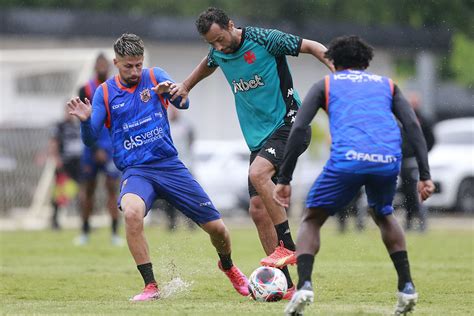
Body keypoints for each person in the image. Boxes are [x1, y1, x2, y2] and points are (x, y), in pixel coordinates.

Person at [67, 33, 248, 301]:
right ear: (116, 62)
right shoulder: (104, 93)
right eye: (128, 66)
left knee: (218, 229)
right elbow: (91, 139)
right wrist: (84, 121)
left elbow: (184, 102)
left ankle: (229, 266)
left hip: (169, 166)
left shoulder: (154, 77)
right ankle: (151, 286)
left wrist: (172, 94)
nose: (135, 71)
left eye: (139, 64)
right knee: (131, 213)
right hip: (136, 171)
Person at [169, 7, 334, 298]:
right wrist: (185, 86)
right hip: (259, 139)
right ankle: (285, 285)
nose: (218, 46)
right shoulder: (218, 51)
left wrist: (338, 71)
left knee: (258, 173)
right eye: (212, 43)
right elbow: (208, 64)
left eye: (221, 38)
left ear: (231, 25)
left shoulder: (266, 39)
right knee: (257, 211)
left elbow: (310, 46)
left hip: (290, 123)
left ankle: (287, 244)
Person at [273, 36, 435, 315]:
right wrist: (425, 175)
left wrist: (284, 179)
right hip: (387, 161)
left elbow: (299, 127)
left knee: (312, 218)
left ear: (333, 62)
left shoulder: (326, 84)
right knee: (383, 214)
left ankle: (305, 285)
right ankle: (406, 286)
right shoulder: (388, 85)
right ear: (367, 62)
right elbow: (412, 126)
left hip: (347, 162)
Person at [75, 53, 123, 246]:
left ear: (110, 66)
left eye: (105, 64)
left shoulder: (115, 88)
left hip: (111, 148)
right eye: (99, 64)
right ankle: (85, 232)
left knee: (113, 190)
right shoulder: (85, 88)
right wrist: (95, 148)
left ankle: (114, 234)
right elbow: (84, 121)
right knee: (88, 190)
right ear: (95, 67)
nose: (102, 67)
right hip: (91, 149)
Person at [154, 106, 196, 231]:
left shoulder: (186, 126)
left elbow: (191, 141)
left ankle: (191, 222)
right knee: (169, 196)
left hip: (186, 165)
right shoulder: (164, 125)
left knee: (189, 195)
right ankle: (171, 223)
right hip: (169, 166)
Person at [400, 93, 435, 232]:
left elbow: (430, 139)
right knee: (406, 193)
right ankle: (408, 221)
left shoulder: (423, 120)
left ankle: (422, 221)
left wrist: (423, 154)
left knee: (417, 192)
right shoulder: (402, 119)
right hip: (403, 161)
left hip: (415, 161)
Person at [49, 104, 82, 230]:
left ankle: (84, 221)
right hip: (64, 164)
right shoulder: (60, 126)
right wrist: (56, 159)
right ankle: (55, 221)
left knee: (80, 190)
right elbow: (53, 143)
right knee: (59, 192)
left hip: (78, 163)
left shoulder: (78, 125)